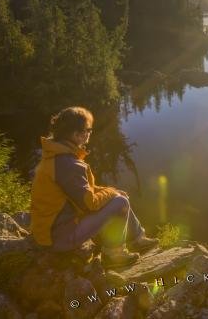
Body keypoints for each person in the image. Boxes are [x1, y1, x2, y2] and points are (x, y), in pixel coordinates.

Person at [30, 106, 158, 268]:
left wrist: (111, 192)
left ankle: (137, 239)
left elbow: (83, 190)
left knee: (119, 197)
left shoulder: (58, 155)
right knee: (120, 202)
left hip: (55, 228)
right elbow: (89, 203)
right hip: (57, 238)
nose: (90, 133)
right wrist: (111, 193)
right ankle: (113, 255)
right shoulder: (67, 164)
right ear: (77, 134)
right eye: (88, 130)